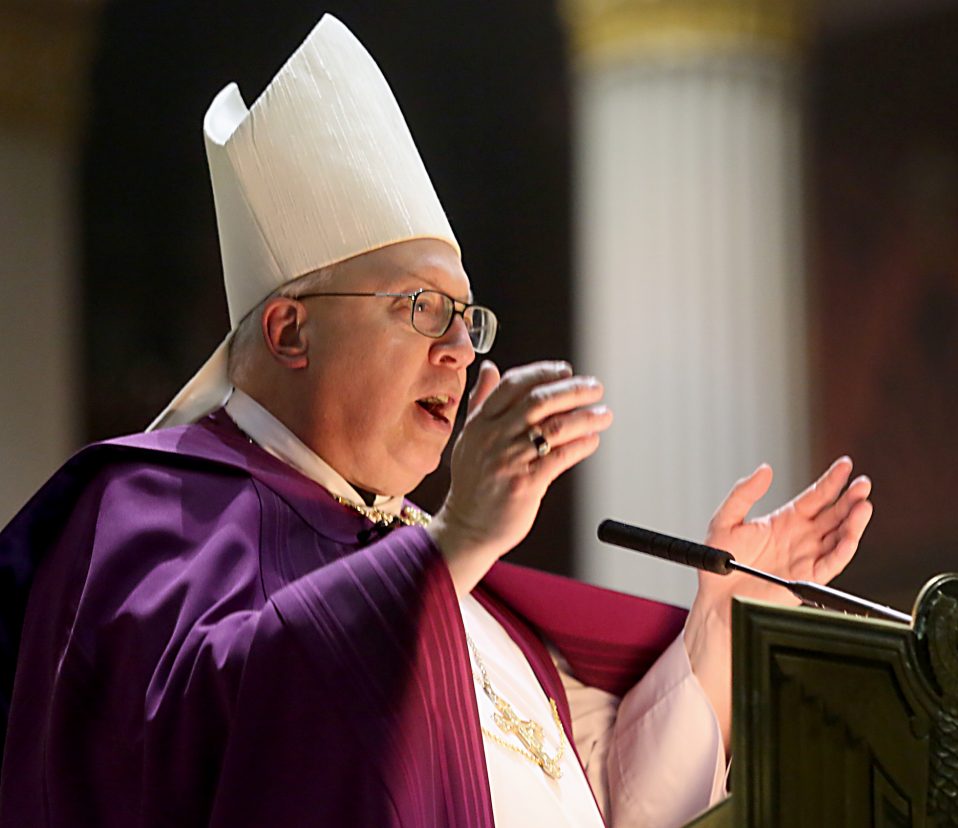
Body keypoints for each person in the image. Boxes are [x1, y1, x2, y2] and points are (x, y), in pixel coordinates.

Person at [0, 15, 872, 828]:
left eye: (467, 317)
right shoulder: (143, 511)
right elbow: (212, 743)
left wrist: (722, 616)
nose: (459, 349)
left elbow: (603, 800)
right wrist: (452, 544)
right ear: (289, 329)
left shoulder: (440, 568)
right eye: (421, 307)